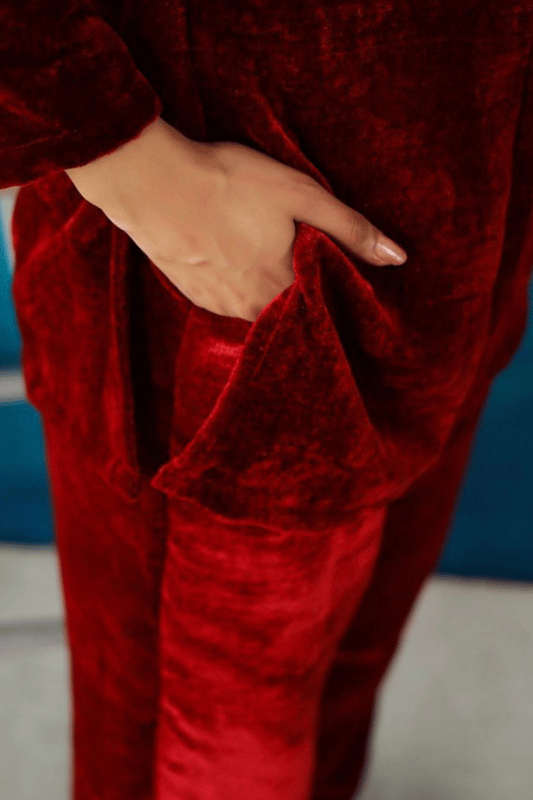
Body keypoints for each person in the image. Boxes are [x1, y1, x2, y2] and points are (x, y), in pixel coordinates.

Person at [1, 1, 532, 798]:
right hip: (216, 264)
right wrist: (125, 156)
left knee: (344, 669)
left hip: (467, 206)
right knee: (207, 744)